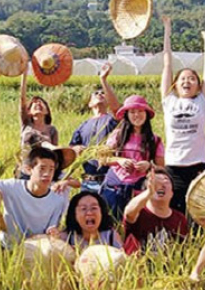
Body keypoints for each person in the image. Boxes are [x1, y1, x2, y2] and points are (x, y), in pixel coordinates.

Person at [160, 16, 205, 220]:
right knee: (174, 214)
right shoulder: (169, 101)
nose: (187, 81)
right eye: (182, 78)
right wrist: (167, 30)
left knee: (199, 215)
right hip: (173, 166)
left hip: (198, 166)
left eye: (192, 79)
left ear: (198, 86)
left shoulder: (202, 101)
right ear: (175, 84)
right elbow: (167, 64)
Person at [0, 146, 69, 248]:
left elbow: (52, 227)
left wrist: (53, 231)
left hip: (36, 252)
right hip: (7, 247)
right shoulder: (12, 187)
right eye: (42, 169)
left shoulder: (57, 200)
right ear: (29, 169)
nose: (47, 174)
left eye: (51, 169)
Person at [99, 95, 165, 219]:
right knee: (111, 221)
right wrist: (119, 161)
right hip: (114, 186)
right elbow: (103, 160)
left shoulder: (154, 140)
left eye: (140, 111)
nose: (137, 115)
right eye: (132, 112)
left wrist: (149, 165)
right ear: (127, 115)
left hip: (140, 188)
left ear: (146, 114)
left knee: (135, 222)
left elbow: (161, 167)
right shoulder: (117, 136)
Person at [69, 63, 121, 193]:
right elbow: (71, 148)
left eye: (103, 93)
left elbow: (117, 109)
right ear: (90, 104)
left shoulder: (112, 119)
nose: (100, 94)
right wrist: (75, 149)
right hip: (88, 181)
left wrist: (103, 80)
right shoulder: (83, 125)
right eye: (96, 93)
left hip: (110, 180)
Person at [123, 167, 189, 253]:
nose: (161, 184)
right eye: (156, 181)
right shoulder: (140, 211)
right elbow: (128, 214)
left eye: (165, 180)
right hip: (138, 265)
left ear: (172, 193)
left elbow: (183, 249)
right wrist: (149, 192)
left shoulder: (180, 218)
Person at [19, 66, 58, 148]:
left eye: (41, 103)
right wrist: (24, 74)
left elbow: (55, 152)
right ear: (29, 112)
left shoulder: (52, 130)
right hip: (27, 160)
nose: (38, 104)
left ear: (47, 111)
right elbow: (22, 99)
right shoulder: (26, 124)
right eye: (35, 103)